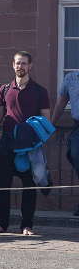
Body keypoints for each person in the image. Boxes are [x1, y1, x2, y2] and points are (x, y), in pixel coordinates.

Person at [0, 51, 51, 236]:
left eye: (24, 63)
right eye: (18, 63)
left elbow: (46, 120)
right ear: (13, 65)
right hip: (7, 143)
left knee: (29, 186)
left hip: (29, 145)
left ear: (30, 66)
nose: (20, 67)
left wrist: (35, 139)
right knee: (2, 185)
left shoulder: (40, 91)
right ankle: (1, 224)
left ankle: (27, 225)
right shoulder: (4, 89)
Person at [51, 69, 79, 216]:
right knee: (75, 155)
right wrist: (51, 124)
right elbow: (61, 103)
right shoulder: (71, 78)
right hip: (78, 126)